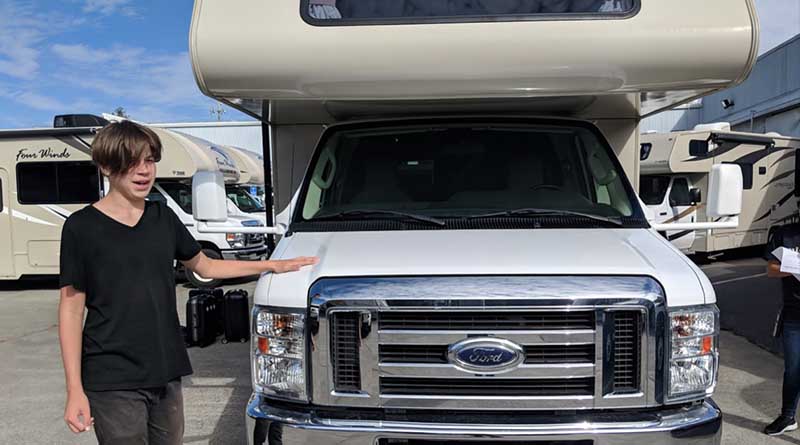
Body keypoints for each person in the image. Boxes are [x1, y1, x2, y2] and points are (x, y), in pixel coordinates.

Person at [58, 120, 318, 444]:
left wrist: (273, 265)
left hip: (166, 368)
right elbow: (70, 310)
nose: (144, 171)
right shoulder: (81, 228)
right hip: (112, 376)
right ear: (106, 166)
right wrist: (74, 390)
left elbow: (205, 266)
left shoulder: (162, 218)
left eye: (150, 160)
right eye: (132, 162)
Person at [765, 223, 800, 436]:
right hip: (794, 314)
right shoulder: (785, 234)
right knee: (793, 369)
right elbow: (771, 269)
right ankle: (787, 416)